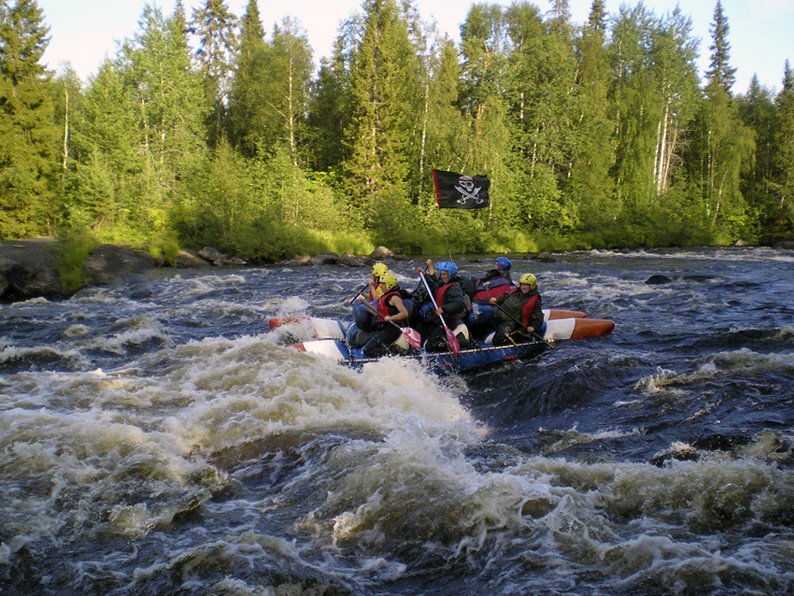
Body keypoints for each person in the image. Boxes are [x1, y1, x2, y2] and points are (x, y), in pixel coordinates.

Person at [415, 260, 471, 351]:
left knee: (430, 346)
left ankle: (456, 342)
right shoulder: (442, 284)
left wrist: (443, 308)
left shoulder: (454, 288)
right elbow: (433, 286)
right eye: (441, 274)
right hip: (438, 320)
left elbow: (460, 305)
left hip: (448, 322)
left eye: (444, 274)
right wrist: (424, 274)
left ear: (450, 275)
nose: (441, 276)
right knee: (420, 329)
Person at [354, 271, 411, 357]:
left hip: (391, 330)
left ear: (389, 285)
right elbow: (378, 314)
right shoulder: (385, 296)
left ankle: (391, 357)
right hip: (382, 328)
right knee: (364, 346)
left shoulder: (394, 297)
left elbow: (404, 313)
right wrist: (365, 303)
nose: (381, 286)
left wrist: (391, 318)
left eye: (383, 284)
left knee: (367, 351)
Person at [489, 273, 545, 346]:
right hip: (499, 314)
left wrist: (533, 327)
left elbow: (538, 317)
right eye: (522, 284)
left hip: (511, 322)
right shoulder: (515, 291)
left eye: (526, 285)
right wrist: (496, 299)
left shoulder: (535, 300)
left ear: (532, 286)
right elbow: (504, 296)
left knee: (497, 341)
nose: (523, 287)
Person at [463, 256, 514, 334]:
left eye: (496, 264)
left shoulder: (494, 276)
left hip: (481, 307)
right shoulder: (508, 280)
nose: (495, 265)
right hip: (495, 309)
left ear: (500, 266)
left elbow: (480, 286)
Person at [352, 262, 389, 332]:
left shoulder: (382, 287)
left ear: (376, 276)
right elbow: (372, 298)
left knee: (358, 303)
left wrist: (371, 287)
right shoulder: (377, 285)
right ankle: (356, 322)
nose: (372, 277)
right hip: (373, 311)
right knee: (357, 301)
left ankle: (361, 324)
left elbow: (377, 301)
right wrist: (364, 295)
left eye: (373, 275)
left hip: (375, 317)